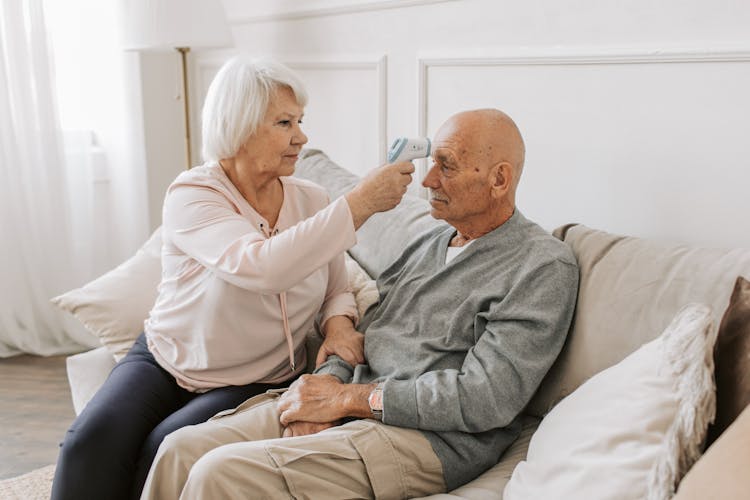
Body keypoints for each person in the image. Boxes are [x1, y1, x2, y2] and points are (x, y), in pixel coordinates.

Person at [140, 108, 580, 499]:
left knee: (219, 474)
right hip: (352, 403)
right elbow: (364, 334)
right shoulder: (431, 243)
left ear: (499, 179)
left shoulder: (540, 266)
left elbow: (487, 398)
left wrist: (351, 401)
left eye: (446, 167)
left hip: (421, 438)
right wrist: (320, 393)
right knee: (179, 449)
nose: (427, 181)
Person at [51, 56, 415, 500]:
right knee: (88, 443)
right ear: (239, 125)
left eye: (300, 120)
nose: (302, 137)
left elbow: (336, 287)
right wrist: (360, 202)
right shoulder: (193, 194)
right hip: (166, 360)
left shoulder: (314, 199)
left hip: (255, 376)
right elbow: (261, 265)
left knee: (162, 449)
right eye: (285, 123)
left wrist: (338, 324)